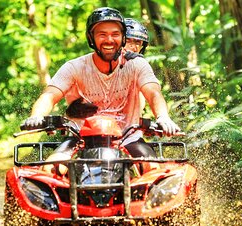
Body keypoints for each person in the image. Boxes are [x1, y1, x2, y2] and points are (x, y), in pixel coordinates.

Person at [24, 7, 180, 173]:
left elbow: (153, 93)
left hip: (128, 136)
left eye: (115, 34)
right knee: (50, 169)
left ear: (122, 38)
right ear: (91, 38)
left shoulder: (137, 65)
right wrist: (37, 116)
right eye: (102, 34)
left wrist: (163, 117)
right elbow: (49, 95)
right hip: (81, 137)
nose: (109, 40)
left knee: (154, 170)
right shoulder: (74, 67)